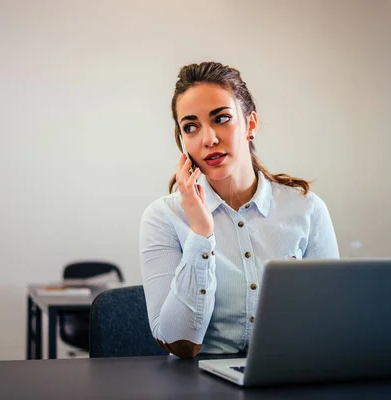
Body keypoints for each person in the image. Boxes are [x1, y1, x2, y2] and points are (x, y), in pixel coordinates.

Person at [139, 61, 339, 359]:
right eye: (190, 127)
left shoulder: (306, 209)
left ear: (251, 124)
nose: (208, 139)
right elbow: (178, 342)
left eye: (221, 118)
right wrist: (201, 235)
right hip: (197, 385)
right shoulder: (163, 218)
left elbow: (334, 322)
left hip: (289, 377)